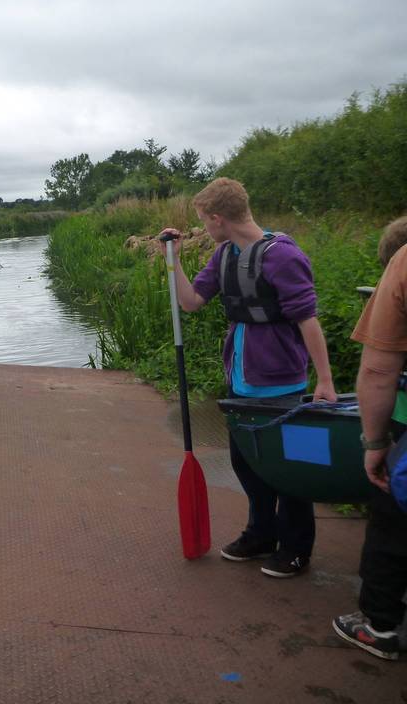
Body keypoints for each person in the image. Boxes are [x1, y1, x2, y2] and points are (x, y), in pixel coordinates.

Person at [158, 177, 336, 578]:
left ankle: (294, 549)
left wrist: (324, 380)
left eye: (204, 220)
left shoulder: (283, 256)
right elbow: (190, 303)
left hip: (282, 380)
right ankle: (261, 534)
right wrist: (174, 260)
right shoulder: (224, 256)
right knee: (247, 464)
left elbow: (307, 319)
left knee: (288, 469)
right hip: (240, 376)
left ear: (219, 218)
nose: (204, 227)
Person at [332, 215, 407, 660]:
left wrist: (375, 445)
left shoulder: (402, 265)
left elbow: (379, 371)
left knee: (393, 520)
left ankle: (378, 626)